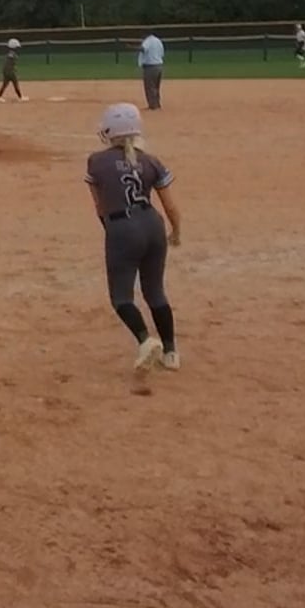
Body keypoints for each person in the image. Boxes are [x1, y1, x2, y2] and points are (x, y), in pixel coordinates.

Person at [84, 103, 183, 395]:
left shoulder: (96, 161)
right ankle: (171, 353)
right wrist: (176, 232)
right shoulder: (151, 161)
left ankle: (145, 340)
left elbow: (100, 205)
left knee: (121, 297)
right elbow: (170, 205)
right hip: (153, 224)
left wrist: (113, 231)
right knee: (155, 292)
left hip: (122, 226)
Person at [137, 31, 166, 110]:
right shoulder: (158, 41)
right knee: (156, 86)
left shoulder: (148, 41)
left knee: (149, 86)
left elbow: (143, 48)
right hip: (159, 66)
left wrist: (132, 47)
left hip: (150, 67)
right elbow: (162, 54)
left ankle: (153, 105)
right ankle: (157, 103)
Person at [0, 38, 27, 102]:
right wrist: (12, 70)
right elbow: (9, 63)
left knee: (5, 84)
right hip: (11, 72)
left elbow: (8, 63)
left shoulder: (10, 53)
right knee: (15, 84)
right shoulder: (12, 54)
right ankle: (20, 97)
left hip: (6, 71)